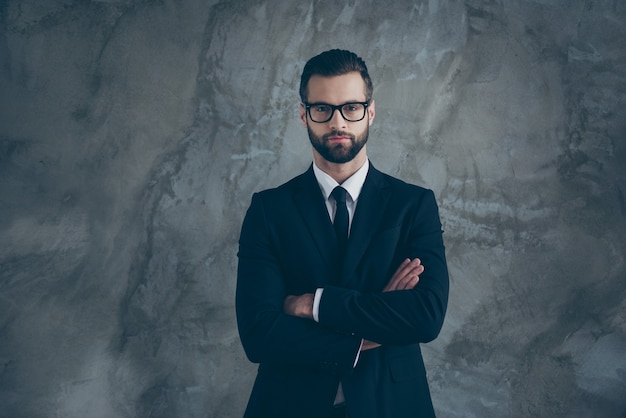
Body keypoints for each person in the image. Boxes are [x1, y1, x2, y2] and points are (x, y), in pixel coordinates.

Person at [236, 49, 449, 418]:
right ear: (304, 115)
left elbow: (425, 315)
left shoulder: (413, 205)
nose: (338, 122)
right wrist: (372, 328)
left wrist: (312, 305)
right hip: (289, 406)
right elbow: (259, 334)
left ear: (370, 111)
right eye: (323, 109)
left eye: (351, 107)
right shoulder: (269, 210)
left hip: (393, 405)